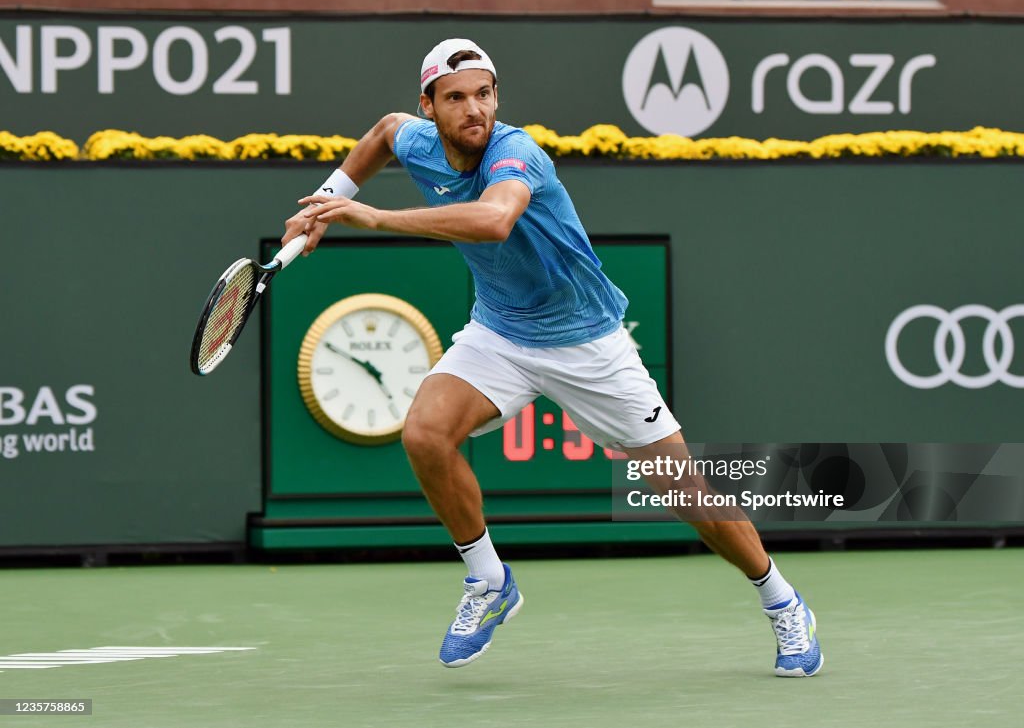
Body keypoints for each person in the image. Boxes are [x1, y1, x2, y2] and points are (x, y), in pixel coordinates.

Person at [280, 38, 823, 677]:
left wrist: (370, 215)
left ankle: (781, 599)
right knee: (425, 433)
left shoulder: (517, 153)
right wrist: (325, 200)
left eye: (484, 94)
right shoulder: (415, 138)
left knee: (686, 493)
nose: (474, 109)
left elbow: (493, 220)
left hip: (588, 344)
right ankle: (489, 581)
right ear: (430, 106)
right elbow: (381, 133)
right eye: (456, 98)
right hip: (501, 335)